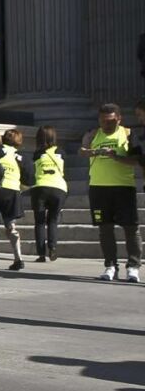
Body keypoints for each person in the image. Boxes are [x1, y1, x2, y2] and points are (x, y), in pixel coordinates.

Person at [80, 103, 140, 282]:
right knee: (104, 229)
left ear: (119, 119)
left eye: (111, 121)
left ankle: (134, 266)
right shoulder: (93, 133)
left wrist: (116, 157)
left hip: (123, 187)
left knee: (130, 228)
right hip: (98, 188)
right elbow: (82, 150)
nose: (106, 125)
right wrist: (91, 152)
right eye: (103, 121)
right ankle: (110, 265)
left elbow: (136, 160)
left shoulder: (128, 134)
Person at [0, 129, 29, 271]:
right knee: (11, 225)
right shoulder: (21, 156)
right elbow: (28, 177)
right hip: (13, 190)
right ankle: (18, 258)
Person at [28, 126, 67, 262]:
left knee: (39, 222)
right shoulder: (61, 151)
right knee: (53, 220)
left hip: (41, 188)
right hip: (59, 188)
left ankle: (41, 254)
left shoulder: (37, 153)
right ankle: (53, 248)